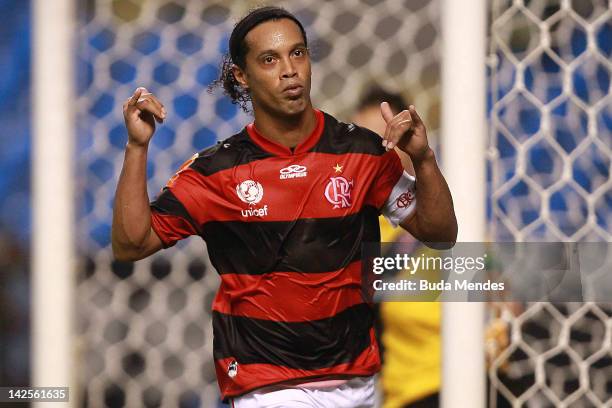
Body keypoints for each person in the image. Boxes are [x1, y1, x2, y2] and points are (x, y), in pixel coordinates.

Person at [111, 6, 457, 407]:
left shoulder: (363, 153)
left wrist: (425, 159)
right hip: (268, 387)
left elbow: (441, 233)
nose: (289, 69)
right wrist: (138, 147)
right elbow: (131, 244)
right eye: (270, 59)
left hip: (358, 384)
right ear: (242, 75)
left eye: (298, 53)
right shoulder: (217, 172)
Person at [352, 87, 441, 408]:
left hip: (480, 380)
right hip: (412, 393)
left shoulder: (447, 214)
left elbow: (500, 291)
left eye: (382, 140)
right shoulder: (355, 232)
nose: (370, 153)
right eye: (360, 143)